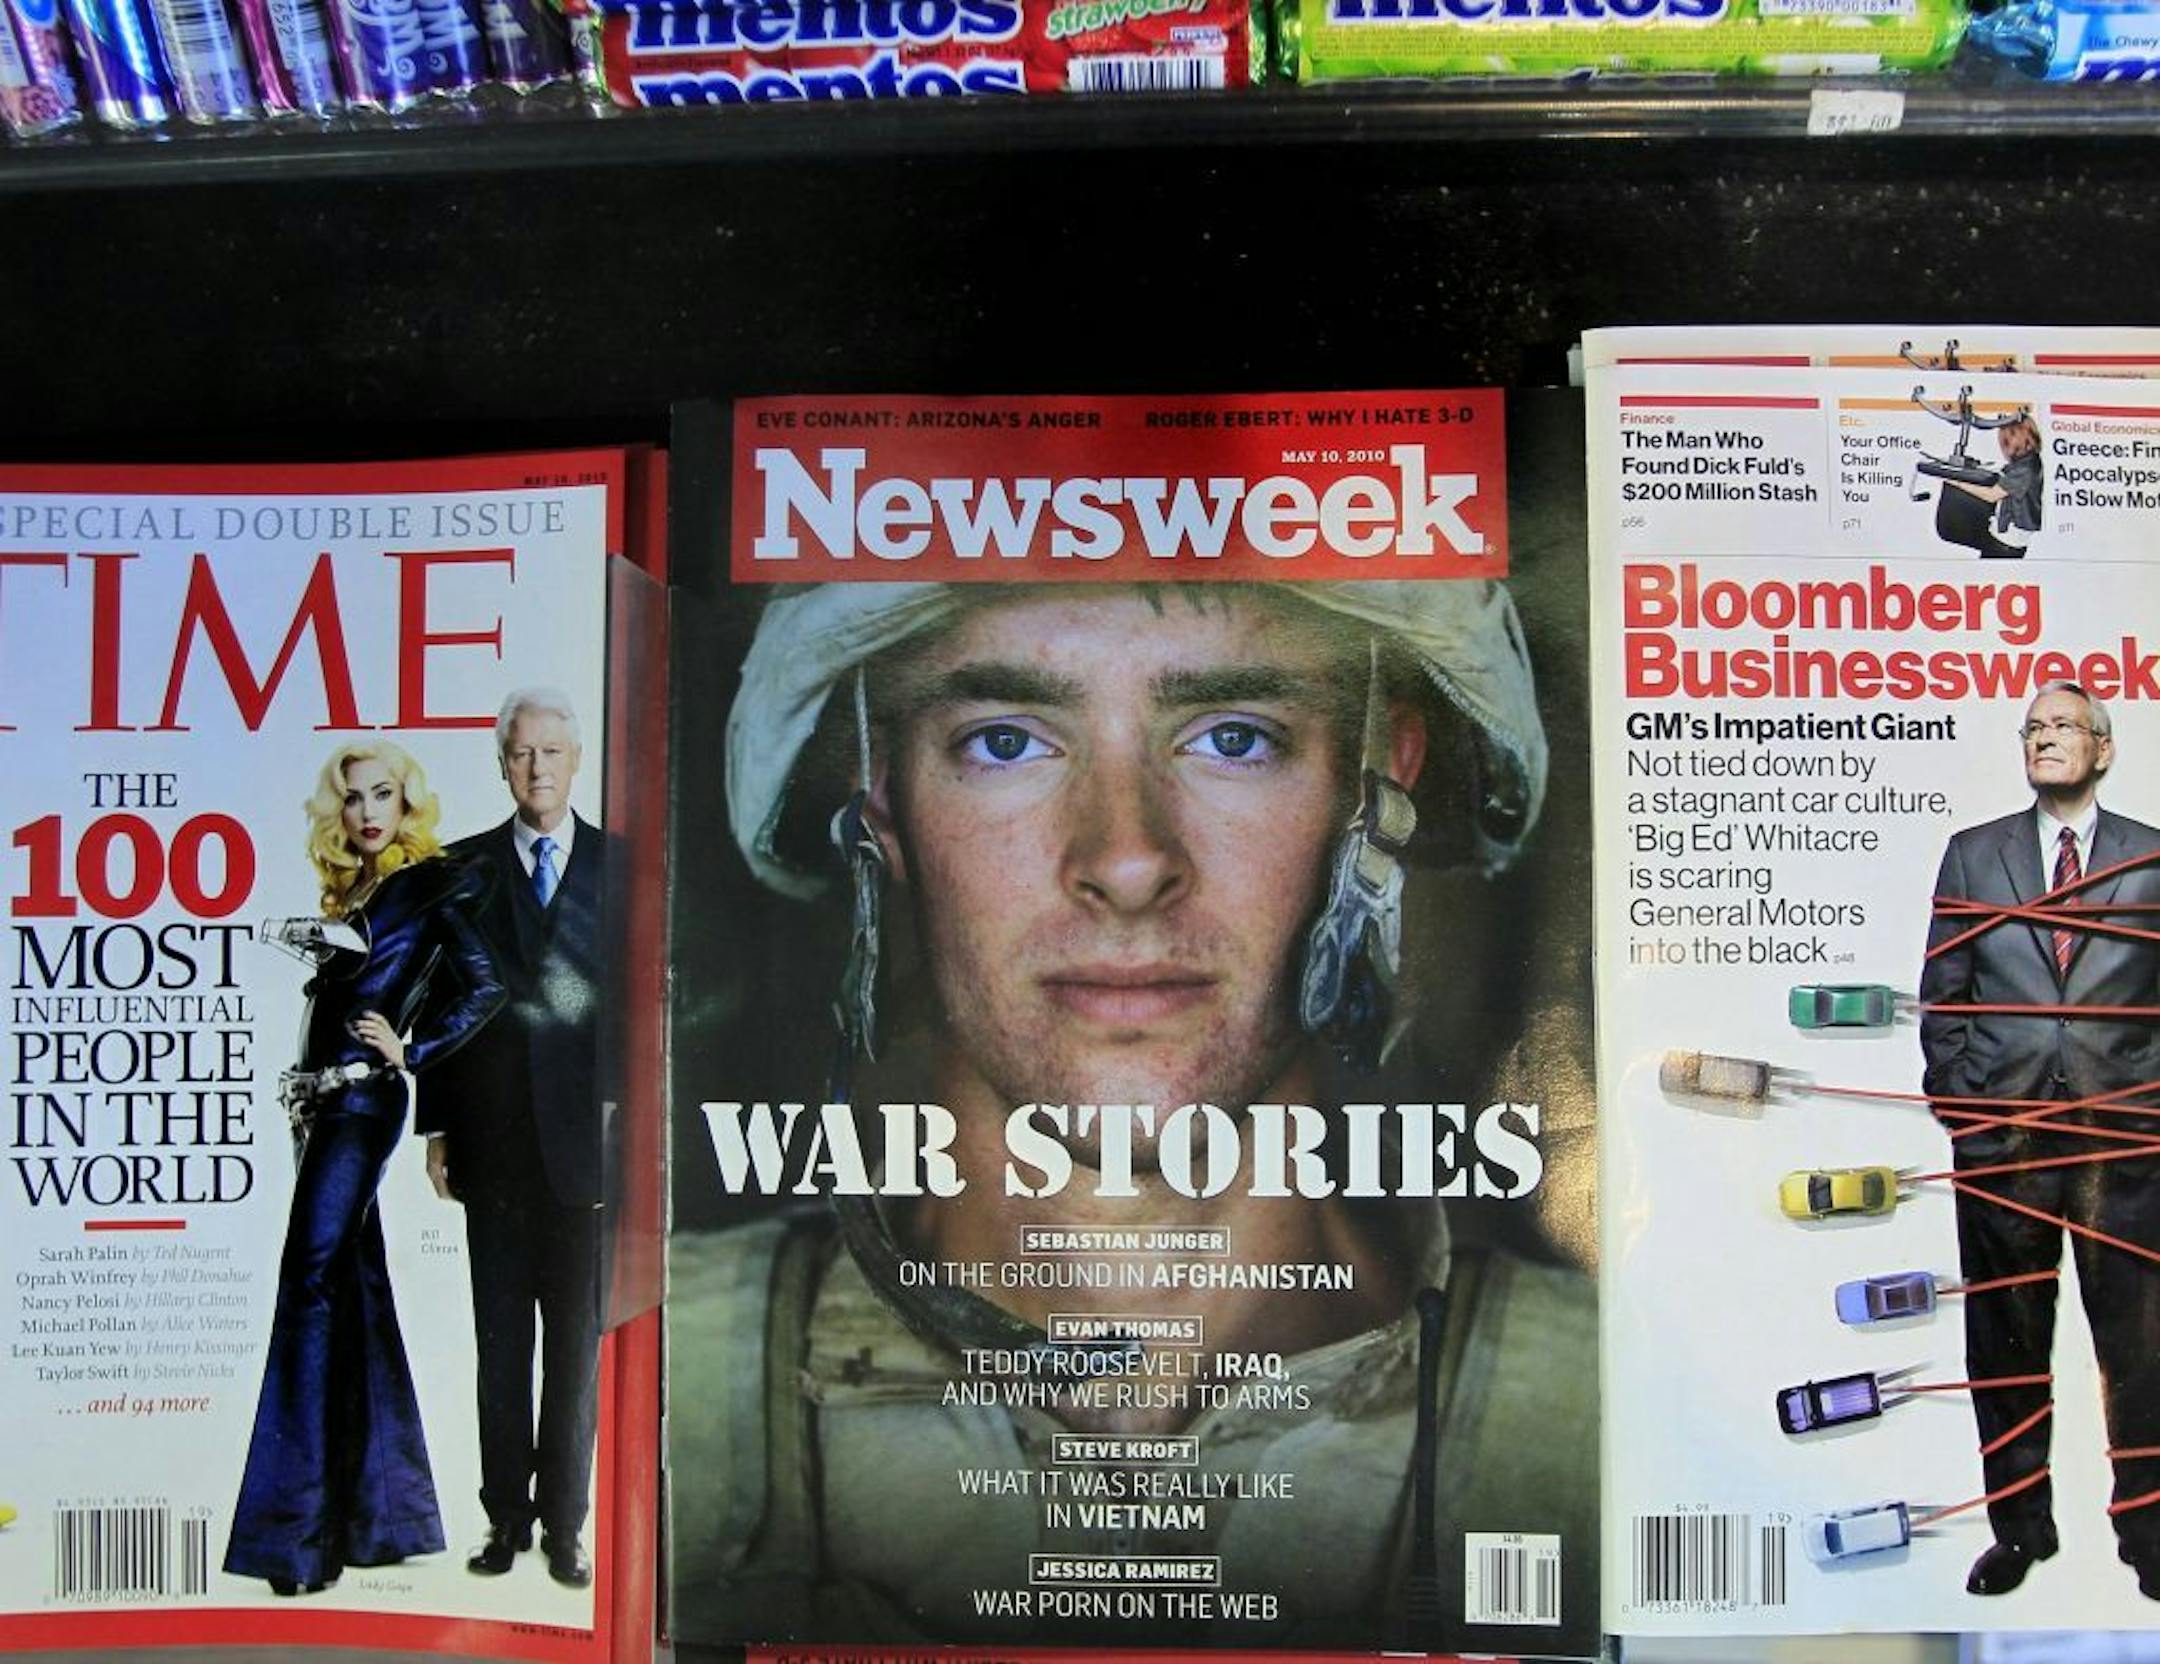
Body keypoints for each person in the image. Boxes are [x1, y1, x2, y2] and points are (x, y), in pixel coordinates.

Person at [671, 581, 1595, 1651]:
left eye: (1234, 738)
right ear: (880, 797)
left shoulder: (1602, 1406)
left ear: (1379, 779)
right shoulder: (669, 1368)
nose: (1124, 860)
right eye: (1006, 740)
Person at [226, 740, 504, 1596]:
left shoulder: (432, 884)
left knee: (307, 1283)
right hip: (320, 1105)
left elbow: (484, 986)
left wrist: (411, 1048)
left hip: (362, 1103)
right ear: (338, 813)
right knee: (349, 1286)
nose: (368, 810)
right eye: (353, 799)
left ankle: (298, 1542)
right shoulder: (357, 891)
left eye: (384, 794)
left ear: (408, 803)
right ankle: (382, 1521)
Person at [1919, 681, 2160, 1599]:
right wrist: (1962, 1105)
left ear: (2103, 749)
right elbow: (1944, 994)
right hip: (2004, 1143)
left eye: (2064, 726)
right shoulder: (1975, 856)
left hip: (2125, 1148)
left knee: (2140, 1349)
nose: (2045, 738)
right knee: (2007, 1341)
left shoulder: (2152, 859)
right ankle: (2020, 1531)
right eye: (2033, 727)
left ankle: (2149, 1533)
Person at [416, 689, 608, 1589]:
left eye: (553, 753)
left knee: (574, 1351)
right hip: (491, 1150)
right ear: (503, 764)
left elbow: (645, 1007)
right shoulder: (466, 870)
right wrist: (439, 1126)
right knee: (502, 1348)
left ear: (577, 761)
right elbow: (441, 1005)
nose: (538, 769)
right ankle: (505, 1523)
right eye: (522, 754)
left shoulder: (624, 869)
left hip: (587, 1157)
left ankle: (567, 1530)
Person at [1945, 411, 2045, 558]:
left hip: (2006, 543)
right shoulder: (2029, 461)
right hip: (2007, 539)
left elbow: (1992, 495)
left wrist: (1957, 482)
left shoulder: (2024, 469)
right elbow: (2004, 477)